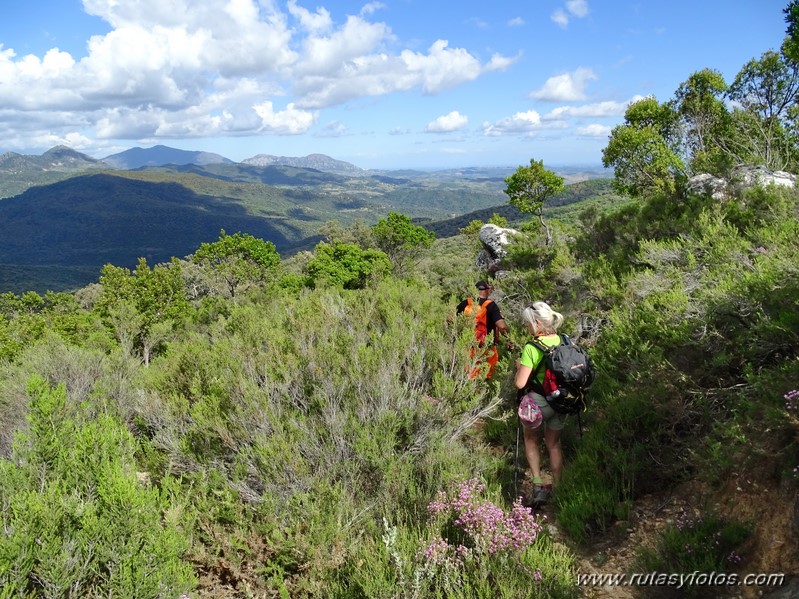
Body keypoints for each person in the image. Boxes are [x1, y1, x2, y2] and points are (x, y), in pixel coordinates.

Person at [514, 301, 566, 507]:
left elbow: (520, 383)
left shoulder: (531, 347)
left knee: (530, 438)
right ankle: (559, 486)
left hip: (540, 402)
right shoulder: (563, 340)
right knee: (553, 444)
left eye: (527, 323)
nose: (526, 327)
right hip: (563, 401)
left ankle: (537, 484)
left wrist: (519, 366)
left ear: (536, 323)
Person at [456, 280, 510, 379]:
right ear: (487, 291)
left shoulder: (465, 304)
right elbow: (501, 326)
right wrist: (509, 338)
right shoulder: (491, 305)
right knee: (487, 377)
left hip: (468, 348)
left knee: (469, 376)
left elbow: (450, 319)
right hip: (487, 348)